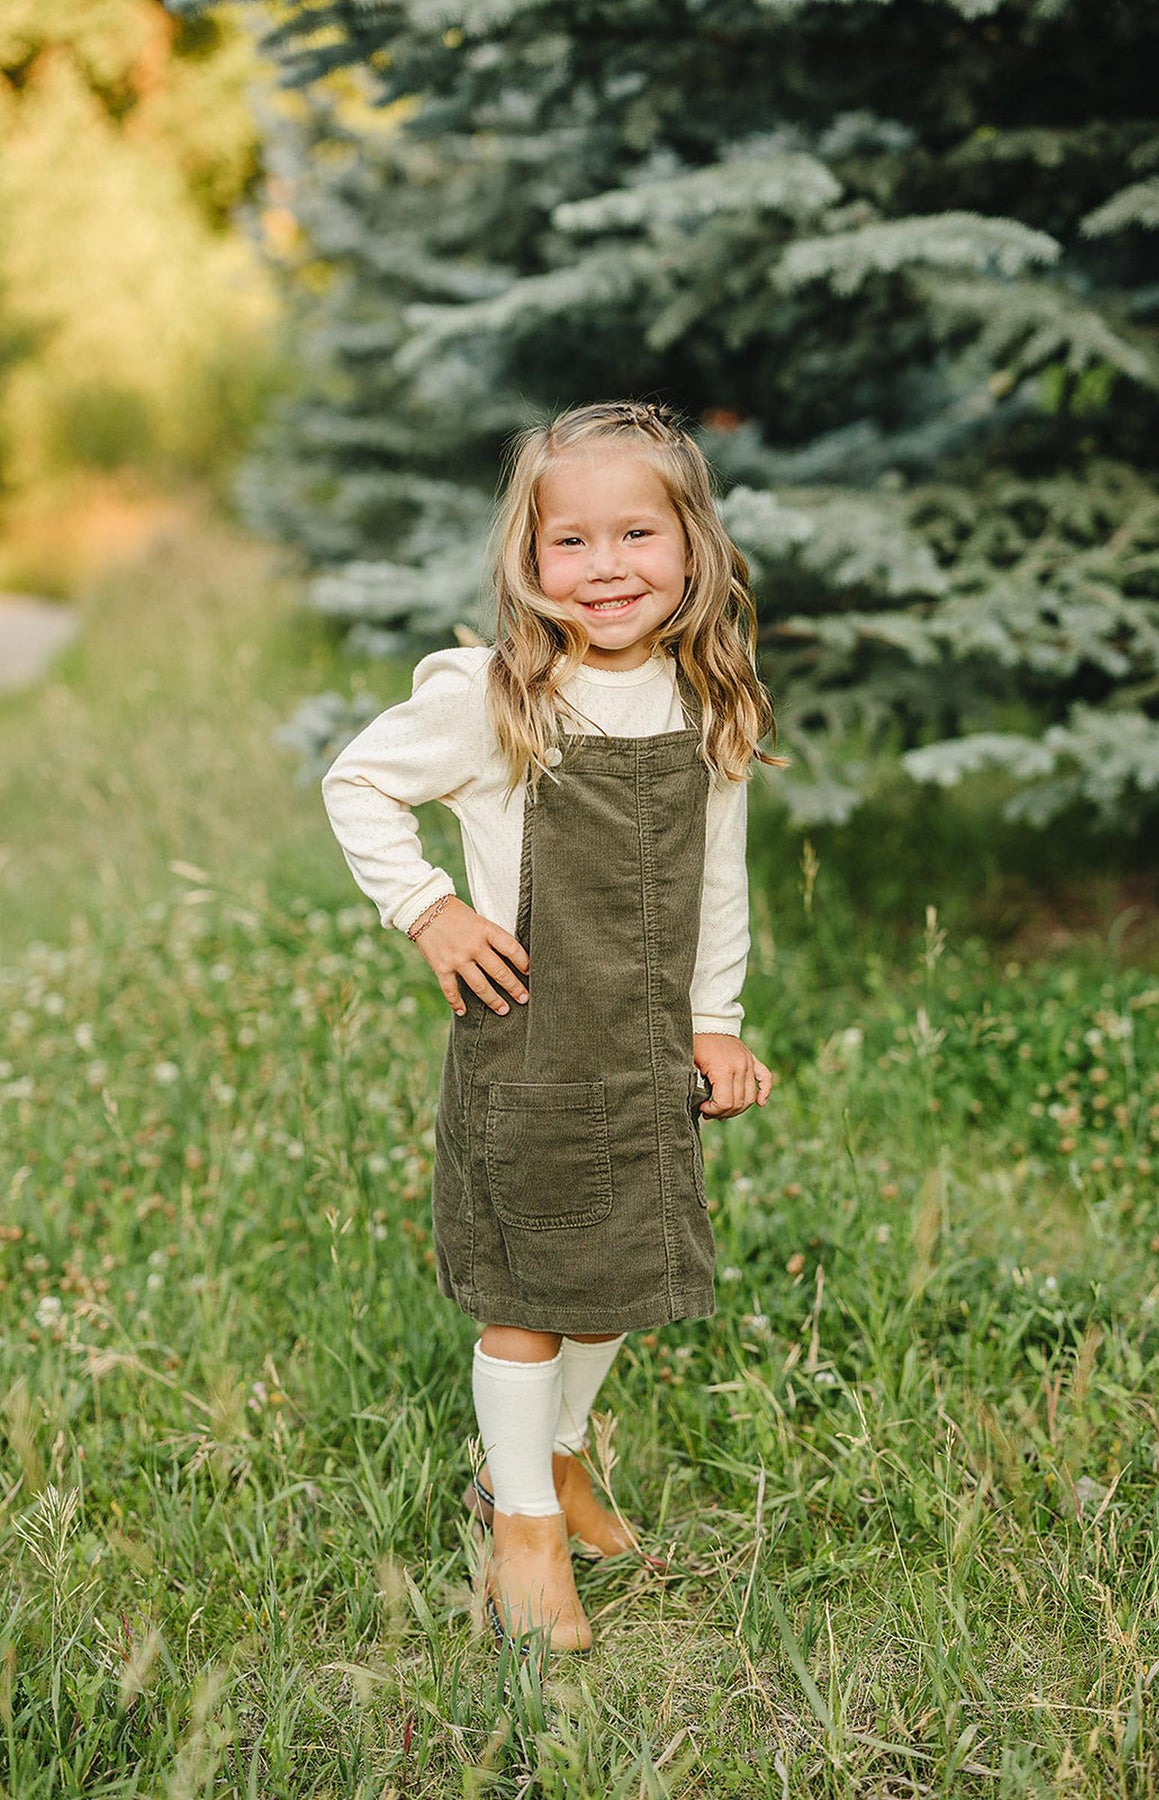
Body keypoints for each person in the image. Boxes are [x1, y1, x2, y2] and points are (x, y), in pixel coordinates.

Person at [322, 399, 776, 1655]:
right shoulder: (497, 695)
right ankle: (521, 1523)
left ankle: (555, 1454)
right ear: (528, 557)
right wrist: (429, 911)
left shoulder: (707, 696)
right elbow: (356, 781)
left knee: (617, 1270)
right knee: (529, 1292)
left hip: (642, 1047)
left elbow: (719, 878)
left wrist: (715, 1021)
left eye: (637, 534)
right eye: (570, 541)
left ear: (693, 546)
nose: (606, 566)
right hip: (527, 1049)